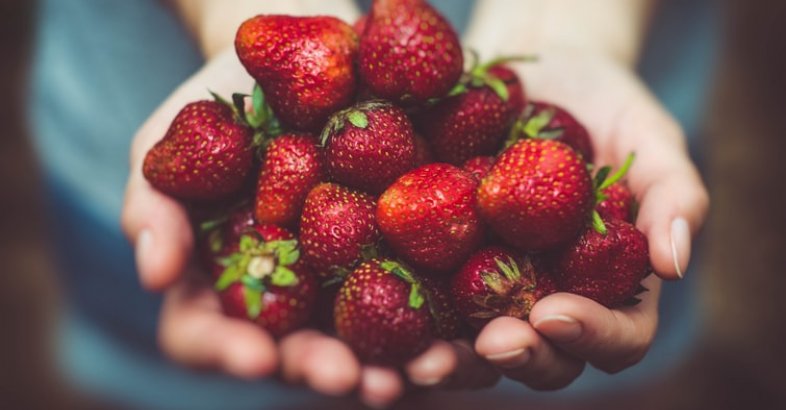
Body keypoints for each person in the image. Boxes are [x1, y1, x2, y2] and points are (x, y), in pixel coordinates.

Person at [29, 0, 712, 408]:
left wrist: (574, 25)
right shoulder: (329, 162)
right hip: (136, 74)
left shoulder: (465, 171)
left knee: (553, 364)